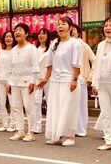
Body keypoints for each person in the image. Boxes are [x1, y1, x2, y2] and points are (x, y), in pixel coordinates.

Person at [37, 17, 82, 146]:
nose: (60, 26)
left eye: (63, 24)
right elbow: (49, 64)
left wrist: (74, 80)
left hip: (68, 81)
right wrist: (45, 79)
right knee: (56, 108)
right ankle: (56, 135)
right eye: (58, 24)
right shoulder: (54, 43)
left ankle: (70, 137)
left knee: (68, 109)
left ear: (70, 27)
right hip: (55, 81)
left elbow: (76, 65)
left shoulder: (75, 43)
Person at [7, 23, 40, 142]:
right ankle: (20, 130)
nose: (17, 32)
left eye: (20, 30)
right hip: (15, 83)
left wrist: (33, 81)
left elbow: (35, 67)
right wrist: (9, 83)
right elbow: (10, 69)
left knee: (29, 107)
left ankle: (31, 132)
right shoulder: (14, 50)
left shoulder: (32, 48)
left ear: (26, 34)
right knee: (16, 107)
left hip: (27, 83)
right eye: (16, 30)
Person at [92, 17, 111, 151]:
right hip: (103, 83)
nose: (108, 28)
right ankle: (109, 141)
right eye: (106, 25)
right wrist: (95, 83)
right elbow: (97, 65)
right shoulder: (101, 45)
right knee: (106, 113)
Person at [71, 23, 96, 137]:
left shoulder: (84, 45)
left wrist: (90, 77)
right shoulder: (65, 45)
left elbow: (95, 60)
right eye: (70, 29)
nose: (72, 31)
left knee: (81, 105)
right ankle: (71, 128)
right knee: (70, 104)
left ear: (78, 32)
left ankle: (81, 129)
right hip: (68, 78)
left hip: (81, 78)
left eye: (74, 30)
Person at [0, 31, 17, 132]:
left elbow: (15, 68)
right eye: (6, 37)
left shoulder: (16, 51)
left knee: (12, 104)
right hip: (0, 79)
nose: (8, 38)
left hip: (11, 81)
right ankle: (5, 124)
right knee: (0, 103)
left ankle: (12, 124)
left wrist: (12, 80)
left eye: (10, 37)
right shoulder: (1, 51)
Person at [34, 28, 51, 134]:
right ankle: (37, 125)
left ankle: (50, 125)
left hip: (48, 78)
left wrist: (47, 77)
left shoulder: (51, 49)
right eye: (39, 34)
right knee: (36, 101)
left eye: (43, 34)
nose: (41, 36)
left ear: (48, 36)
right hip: (37, 78)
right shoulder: (34, 49)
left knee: (50, 102)